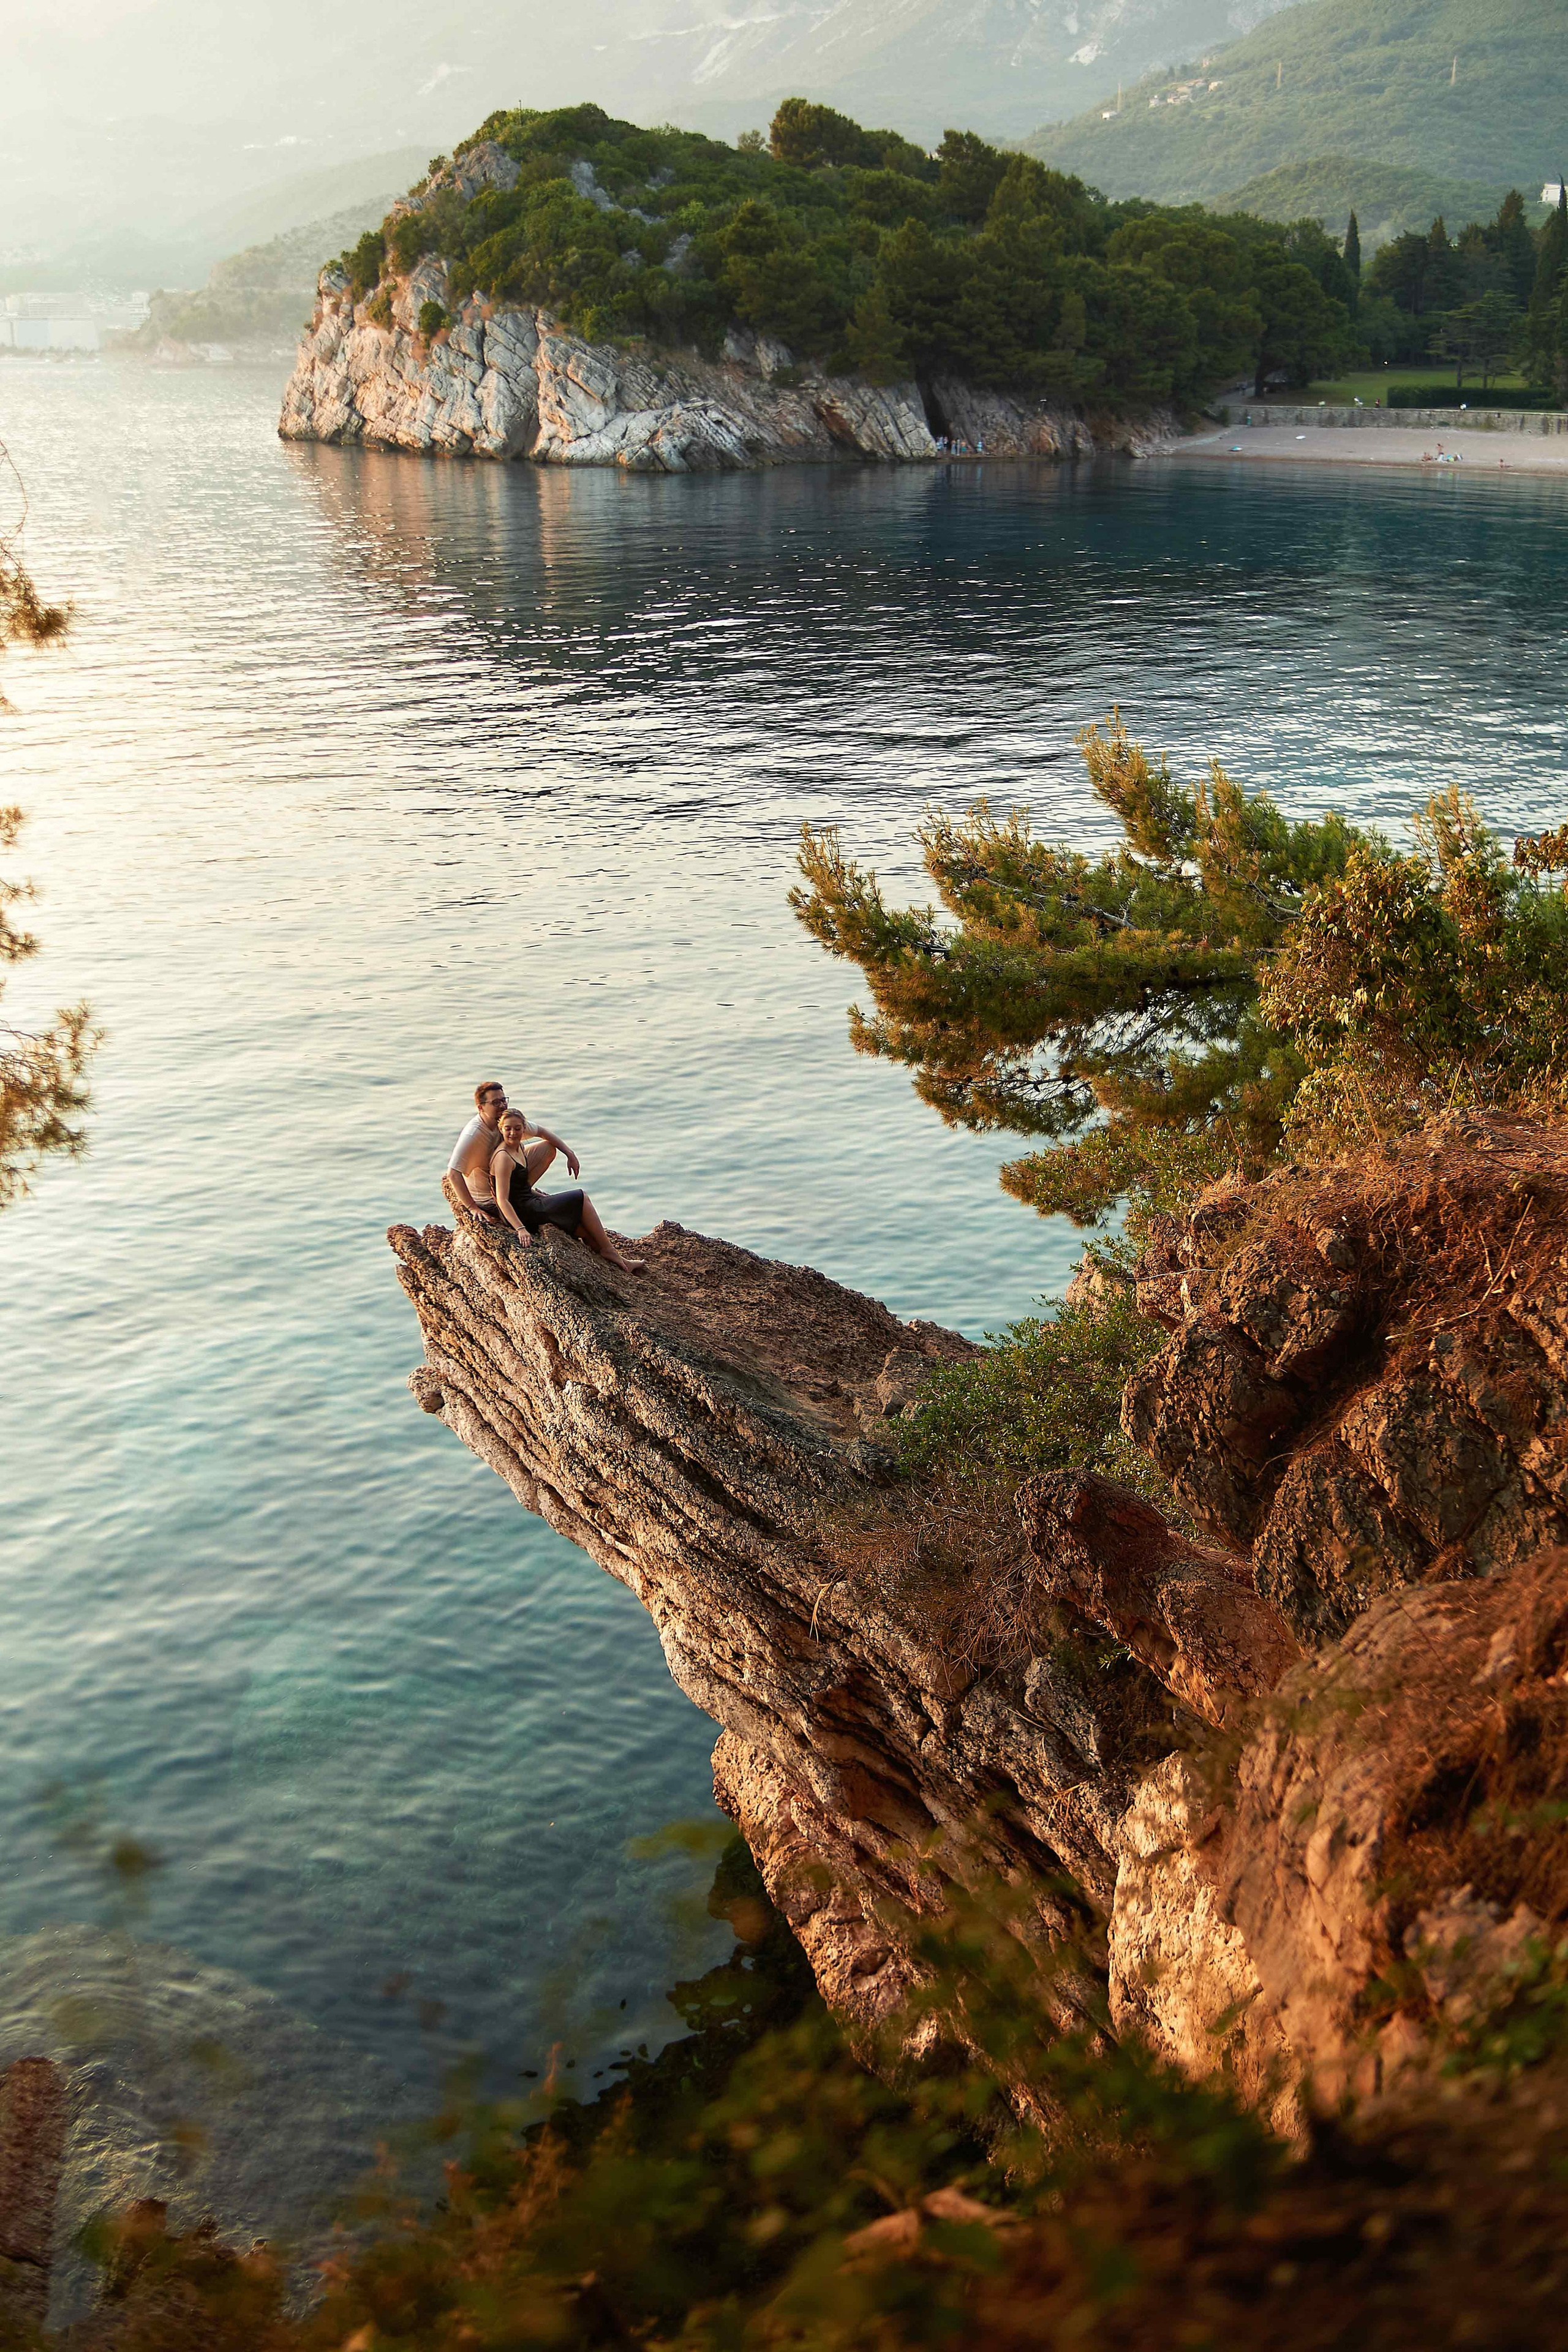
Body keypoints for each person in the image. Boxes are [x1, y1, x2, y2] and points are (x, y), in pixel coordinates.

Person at [491, 1109, 645, 1272]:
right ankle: (609, 1250)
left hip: (528, 1202)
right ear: (501, 1129)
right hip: (521, 1213)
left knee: (585, 1230)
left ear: (524, 1128)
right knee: (581, 1197)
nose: (513, 1133)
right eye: (508, 1129)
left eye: (517, 1128)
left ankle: (618, 1262)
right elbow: (503, 1200)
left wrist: (569, 1155)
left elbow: (520, 1189)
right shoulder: (503, 1157)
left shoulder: (519, 1148)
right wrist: (520, 1229)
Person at [447, 1079, 578, 1222]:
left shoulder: (504, 1122)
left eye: (504, 1100)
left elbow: (542, 1132)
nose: (502, 1105)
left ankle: (523, 1192)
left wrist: (570, 1154)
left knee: (547, 1148)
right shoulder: (474, 1134)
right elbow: (453, 1174)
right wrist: (472, 1207)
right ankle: (519, 1197)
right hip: (488, 1197)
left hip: (505, 1176)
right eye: (496, 1103)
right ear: (481, 1108)